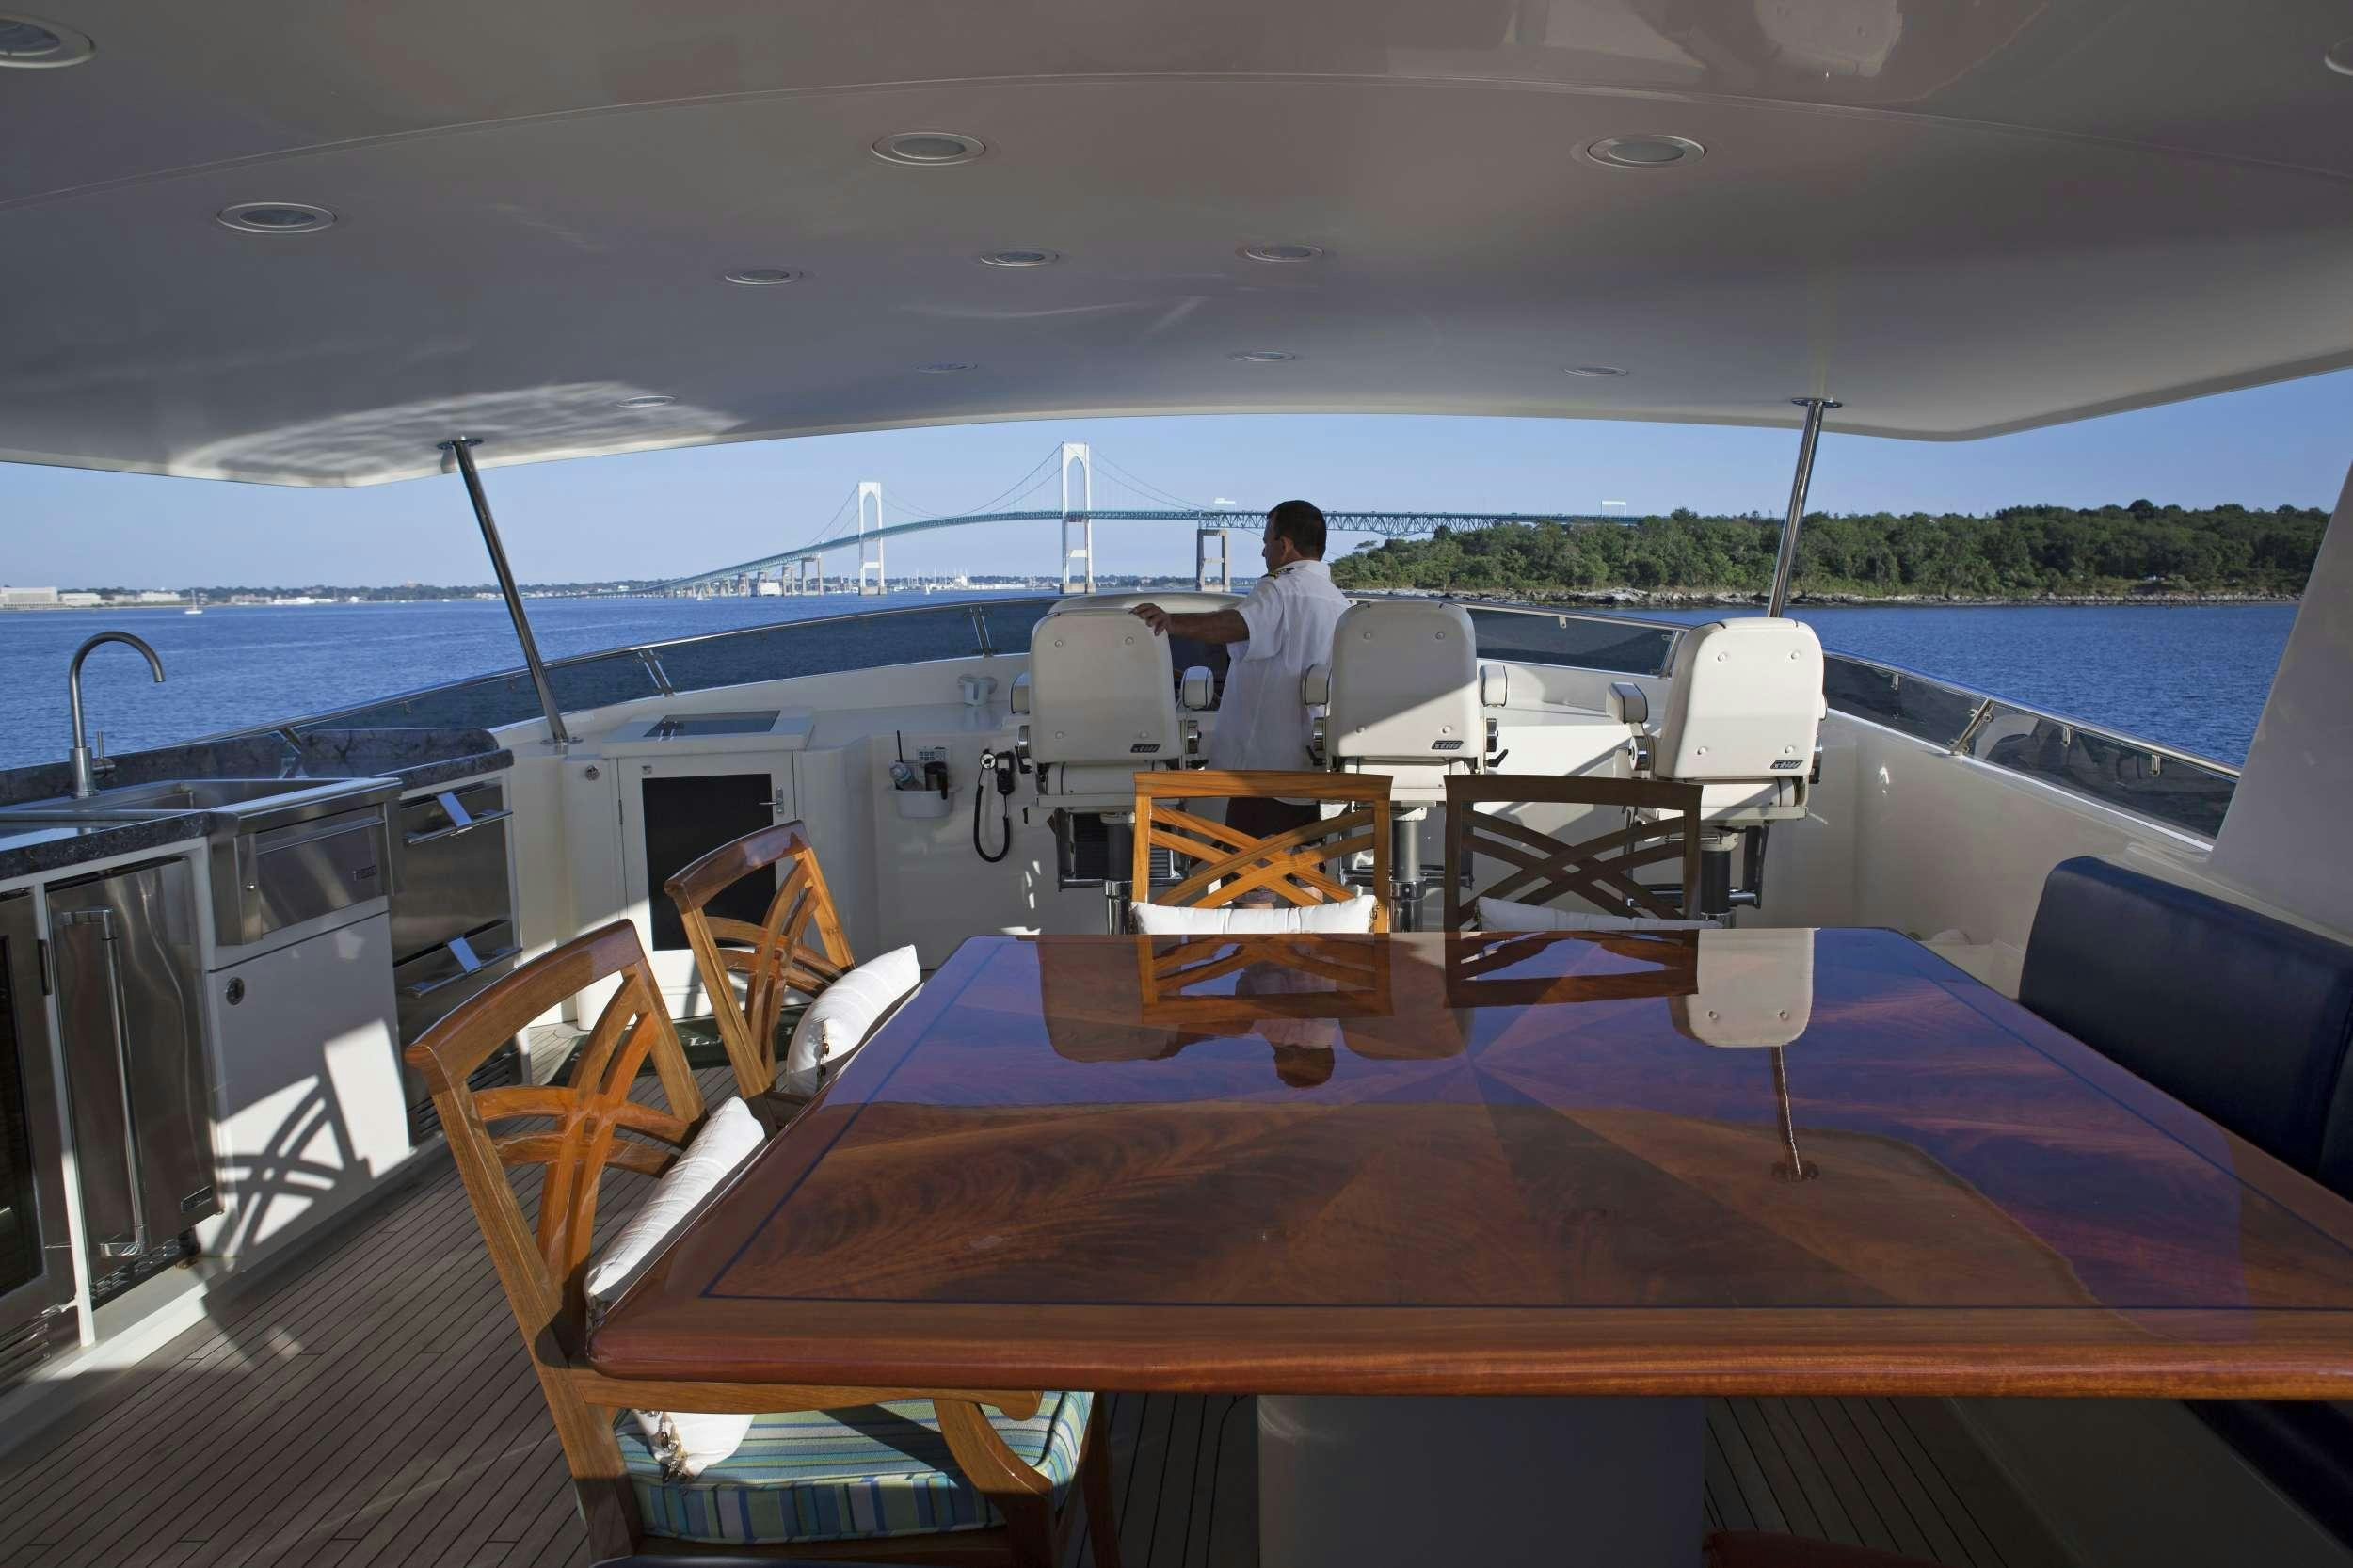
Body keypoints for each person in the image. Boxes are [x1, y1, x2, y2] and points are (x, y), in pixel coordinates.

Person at [1129, 499, 1348, 841]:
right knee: (1299, 859)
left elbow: (1238, 624)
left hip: (1265, 766)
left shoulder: (1279, 589)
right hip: (1311, 759)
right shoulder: (1337, 600)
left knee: (1246, 866)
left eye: (1266, 541)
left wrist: (1171, 622)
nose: (1263, 552)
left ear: (1284, 545)